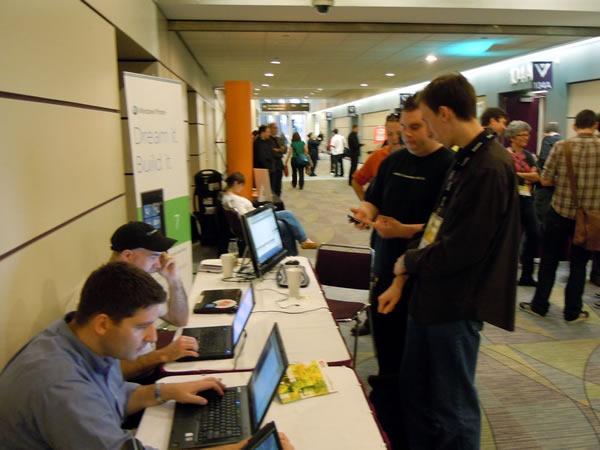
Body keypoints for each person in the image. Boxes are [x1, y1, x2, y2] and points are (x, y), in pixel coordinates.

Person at [0, 262, 298, 450]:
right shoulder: (60, 387)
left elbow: (111, 396)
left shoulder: (74, 334)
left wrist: (166, 391)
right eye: (142, 327)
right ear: (103, 323)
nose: (153, 338)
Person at [379, 73, 520, 450]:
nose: (425, 129)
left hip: (455, 305)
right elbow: (438, 226)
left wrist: (407, 262)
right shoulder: (467, 159)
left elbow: (463, 248)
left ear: (444, 113)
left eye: (426, 120)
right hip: (432, 298)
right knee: (420, 393)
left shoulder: (489, 166)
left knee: (452, 406)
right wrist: (405, 275)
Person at [349, 94, 455, 449]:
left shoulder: (449, 166)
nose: (407, 135)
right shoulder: (393, 161)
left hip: (422, 275)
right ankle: (389, 418)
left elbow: (446, 226)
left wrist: (403, 230)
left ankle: (412, 429)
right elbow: (374, 198)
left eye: (415, 127)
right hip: (384, 266)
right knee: (387, 345)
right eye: (403, 128)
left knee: (419, 363)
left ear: (433, 123)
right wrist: (365, 211)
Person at [65, 221, 197, 381]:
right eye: (154, 256)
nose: (159, 264)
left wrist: (174, 280)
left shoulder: (137, 284)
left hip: (150, 367)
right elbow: (109, 375)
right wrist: (162, 355)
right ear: (128, 255)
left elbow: (179, 319)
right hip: (132, 382)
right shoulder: (96, 295)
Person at [520, 109, 600, 323]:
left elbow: (545, 180)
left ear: (574, 125)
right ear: (595, 126)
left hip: (559, 213)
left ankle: (539, 305)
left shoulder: (561, 146)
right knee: (579, 264)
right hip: (589, 218)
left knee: (549, 261)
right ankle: (573, 311)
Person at [222, 172, 318, 250]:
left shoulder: (228, 197)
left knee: (287, 217)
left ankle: (301, 244)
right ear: (235, 183)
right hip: (256, 221)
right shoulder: (233, 200)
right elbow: (244, 216)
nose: (242, 188)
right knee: (285, 222)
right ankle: (301, 244)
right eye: (242, 185)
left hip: (256, 218)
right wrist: (261, 210)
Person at [505, 120, 541, 286]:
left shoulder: (528, 155)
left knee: (534, 233)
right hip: (510, 199)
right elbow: (507, 176)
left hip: (527, 198)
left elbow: (537, 177)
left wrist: (519, 175)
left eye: (528, 134)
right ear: (512, 137)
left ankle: (527, 275)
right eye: (522, 135)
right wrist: (524, 176)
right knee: (509, 237)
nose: (526, 138)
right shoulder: (505, 155)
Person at [351, 113, 403, 201]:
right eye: (390, 134)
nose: (394, 138)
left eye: (399, 133)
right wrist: (366, 203)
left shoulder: (416, 155)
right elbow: (356, 181)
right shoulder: (378, 156)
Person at [534, 122, 561, 229]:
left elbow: (545, 162)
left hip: (544, 188)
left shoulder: (548, 139)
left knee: (540, 220)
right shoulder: (565, 142)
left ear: (545, 132)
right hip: (558, 188)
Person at [269, 123, 287, 198]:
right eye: (274, 128)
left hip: (279, 166)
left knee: (278, 187)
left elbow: (285, 150)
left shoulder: (278, 139)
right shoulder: (268, 140)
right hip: (272, 166)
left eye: (277, 128)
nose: (276, 129)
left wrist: (278, 150)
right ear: (270, 129)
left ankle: (278, 202)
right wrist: (280, 150)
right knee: (272, 187)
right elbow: (272, 152)